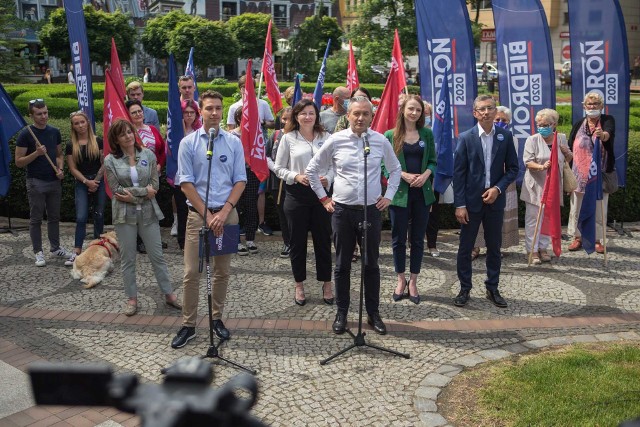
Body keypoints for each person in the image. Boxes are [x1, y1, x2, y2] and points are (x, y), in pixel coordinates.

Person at [306, 96, 402, 335]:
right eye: (356, 113)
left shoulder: (379, 141)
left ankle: (373, 312)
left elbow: (395, 169)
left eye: (365, 114)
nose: (360, 118)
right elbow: (312, 170)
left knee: (371, 265)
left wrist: (389, 195)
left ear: (371, 116)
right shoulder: (336, 140)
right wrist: (324, 199)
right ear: (347, 115)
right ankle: (342, 312)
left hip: (371, 210)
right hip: (342, 211)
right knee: (341, 265)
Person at [170, 90, 246, 348]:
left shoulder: (234, 142)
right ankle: (189, 325)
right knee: (192, 272)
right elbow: (186, 184)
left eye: (218, 108)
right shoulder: (188, 143)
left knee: (221, 271)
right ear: (200, 111)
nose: (214, 113)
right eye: (209, 108)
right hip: (198, 216)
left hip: (226, 214)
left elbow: (240, 180)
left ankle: (216, 319)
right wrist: (208, 215)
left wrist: (223, 213)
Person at [104, 119, 180, 316]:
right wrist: (142, 193)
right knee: (128, 258)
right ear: (116, 139)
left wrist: (135, 195)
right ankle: (132, 298)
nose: (128, 136)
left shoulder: (147, 154)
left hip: (148, 213)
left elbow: (155, 186)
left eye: (130, 132)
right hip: (124, 214)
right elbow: (116, 190)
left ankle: (169, 294)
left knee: (157, 256)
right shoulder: (110, 160)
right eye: (123, 134)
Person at [452, 95, 518, 309]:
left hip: (495, 201)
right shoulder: (466, 137)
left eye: (490, 108)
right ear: (475, 113)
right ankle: (465, 288)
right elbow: (458, 174)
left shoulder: (505, 136)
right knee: (466, 247)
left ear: (495, 111)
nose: (486, 112)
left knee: (494, 246)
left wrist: (498, 189)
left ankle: (492, 287)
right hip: (471, 203)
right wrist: (459, 204)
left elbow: (514, 169)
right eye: (482, 109)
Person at [275, 99, 334, 306]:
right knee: (297, 243)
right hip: (296, 195)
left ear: (316, 115)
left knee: (324, 242)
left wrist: (329, 177)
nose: (307, 117)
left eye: (311, 113)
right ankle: (299, 285)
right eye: (303, 113)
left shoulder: (326, 137)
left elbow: (335, 165)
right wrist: (295, 176)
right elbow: (278, 167)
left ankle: (327, 283)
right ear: (296, 116)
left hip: (322, 197)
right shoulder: (288, 138)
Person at [385, 95, 436, 305]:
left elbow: (433, 161)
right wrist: (402, 175)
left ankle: (413, 280)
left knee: (417, 239)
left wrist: (425, 175)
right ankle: (400, 279)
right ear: (403, 110)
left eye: (418, 110)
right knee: (398, 239)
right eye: (411, 109)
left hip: (422, 194)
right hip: (399, 195)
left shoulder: (427, 134)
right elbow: (383, 165)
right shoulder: (390, 135)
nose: (414, 113)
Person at [15, 99, 73, 267]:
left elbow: (59, 155)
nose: (43, 116)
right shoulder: (26, 134)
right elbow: (19, 161)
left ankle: (55, 248)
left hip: (54, 180)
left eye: (45, 113)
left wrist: (60, 169)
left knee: (54, 217)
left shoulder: (54, 131)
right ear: (31, 115)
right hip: (35, 181)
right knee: (36, 219)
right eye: (39, 114)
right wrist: (37, 154)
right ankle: (38, 252)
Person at [520, 108, 572, 264]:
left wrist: (566, 152)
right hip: (535, 186)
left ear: (554, 124)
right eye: (539, 124)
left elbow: (568, 159)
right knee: (533, 220)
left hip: (554, 187)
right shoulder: (532, 139)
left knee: (548, 219)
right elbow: (527, 162)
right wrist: (542, 166)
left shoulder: (561, 138)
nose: (542, 127)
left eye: (545, 124)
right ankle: (532, 250)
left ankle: (543, 248)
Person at [567, 92, 615, 254]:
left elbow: (608, 134)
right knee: (576, 208)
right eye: (589, 104)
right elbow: (569, 146)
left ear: (601, 106)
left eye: (596, 104)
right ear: (584, 106)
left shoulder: (607, 120)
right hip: (578, 175)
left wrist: (603, 135)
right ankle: (577, 237)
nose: (592, 107)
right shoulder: (579, 123)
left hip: (598, 174)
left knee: (599, 208)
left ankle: (597, 239)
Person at [471, 106, 519, 259]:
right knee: (478, 217)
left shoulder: (511, 138)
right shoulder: (477, 135)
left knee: (503, 216)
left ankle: (498, 247)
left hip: (505, 183)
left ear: (509, 122)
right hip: (483, 182)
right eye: (497, 119)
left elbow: (512, 164)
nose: (500, 122)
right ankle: (476, 247)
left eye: (504, 120)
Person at [65, 111, 106, 265]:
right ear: (73, 126)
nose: (80, 126)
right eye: (76, 123)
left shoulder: (98, 141)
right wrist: (86, 182)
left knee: (99, 214)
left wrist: (95, 181)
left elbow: (104, 163)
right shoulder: (71, 145)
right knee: (81, 216)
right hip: (82, 183)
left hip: (98, 181)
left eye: (82, 122)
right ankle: (77, 251)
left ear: (87, 122)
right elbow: (72, 168)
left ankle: (98, 247)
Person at [171, 99, 202, 246]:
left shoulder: (199, 132)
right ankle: (182, 242)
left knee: (196, 211)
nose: (189, 116)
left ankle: (197, 241)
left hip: (196, 178)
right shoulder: (174, 133)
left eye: (192, 113)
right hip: (180, 178)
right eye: (186, 112)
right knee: (183, 212)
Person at [266, 107, 292, 258]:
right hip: (277, 181)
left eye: (290, 118)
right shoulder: (275, 135)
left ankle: (296, 241)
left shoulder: (299, 135)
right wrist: (276, 169)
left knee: (294, 214)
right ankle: (287, 242)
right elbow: (267, 155)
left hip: (294, 181)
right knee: (282, 213)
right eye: (284, 119)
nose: (287, 122)